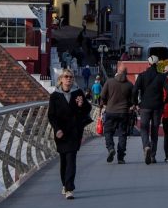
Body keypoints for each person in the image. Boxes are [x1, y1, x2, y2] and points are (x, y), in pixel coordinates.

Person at [47, 69, 92, 199]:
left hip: (74, 131)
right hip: (61, 132)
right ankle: (64, 183)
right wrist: (57, 129)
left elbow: (88, 109)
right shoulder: (54, 96)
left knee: (71, 158)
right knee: (64, 160)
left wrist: (81, 104)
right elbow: (51, 115)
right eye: (66, 77)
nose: (69, 79)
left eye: (71, 77)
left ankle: (69, 188)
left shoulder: (78, 93)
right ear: (61, 79)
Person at [132, 55, 168, 165]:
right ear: (157, 64)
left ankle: (146, 146)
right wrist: (165, 102)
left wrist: (135, 103)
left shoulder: (141, 76)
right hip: (158, 107)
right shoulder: (162, 76)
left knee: (144, 128)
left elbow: (134, 90)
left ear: (148, 63)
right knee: (155, 131)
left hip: (145, 106)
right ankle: (153, 156)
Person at [99, 67, 135, 163]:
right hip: (124, 112)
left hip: (110, 111)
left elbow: (102, 95)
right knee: (122, 134)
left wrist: (106, 103)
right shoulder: (129, 85)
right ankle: (121, 158)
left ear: (117, 72)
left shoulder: (109, 82)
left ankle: (111, 148)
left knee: (108, 132)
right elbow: (133, 100)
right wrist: (128, 105)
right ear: (126, 73)